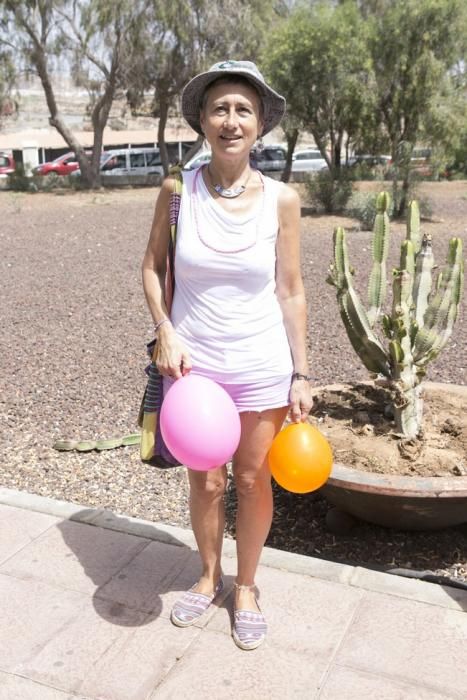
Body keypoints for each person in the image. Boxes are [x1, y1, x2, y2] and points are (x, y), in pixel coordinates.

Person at [142, 60, 313, 651]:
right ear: (203, 122)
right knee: (207, 481)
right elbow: (150, 269)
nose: (231, 120)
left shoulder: (283, 200)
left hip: (261, 365)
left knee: (252, 478)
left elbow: (291, 289)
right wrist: (165, 327)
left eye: (243, 109)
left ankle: (246, 586)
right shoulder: (176, 193)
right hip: (193, 371)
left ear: (260, 123)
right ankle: (209, 576)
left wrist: (302, 372)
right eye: (220, 109)